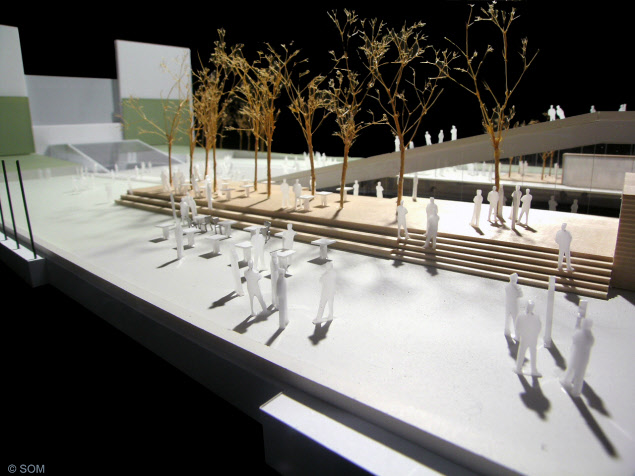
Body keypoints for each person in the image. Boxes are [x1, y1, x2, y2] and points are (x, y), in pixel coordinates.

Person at [561, 319, 595, 397]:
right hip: (583, 358)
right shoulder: (590, 337)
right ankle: (576, 390)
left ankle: (567, 382)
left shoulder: (579, 333)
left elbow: (574, 339)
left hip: (576, 356)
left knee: (572, 369)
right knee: (579, 374)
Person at [514, 300, 542, 377]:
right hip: (528, 338)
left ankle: (529, 370)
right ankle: (520, 368)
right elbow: (517, 326)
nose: (529, 308)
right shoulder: (523, 316)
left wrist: (534, 335)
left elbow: (539, 327)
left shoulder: (534, 317)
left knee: (530, 354)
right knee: (524, 353)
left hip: (530, 338)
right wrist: (521, 334)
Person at [505, 273, 523, 338]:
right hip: (514, 306)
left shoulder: (507, 286)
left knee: (508, 319)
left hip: (508, 305)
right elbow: (520, 294)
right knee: (515, 320)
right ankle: (517, 335)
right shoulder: (517, 288)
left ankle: (507, 331)